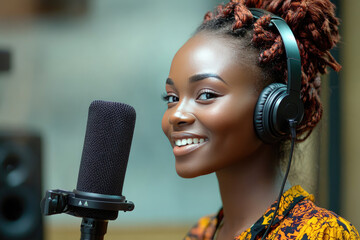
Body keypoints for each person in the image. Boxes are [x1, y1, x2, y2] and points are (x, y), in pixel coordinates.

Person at [161, 0, 359, 239]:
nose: (176, 115)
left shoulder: (321, 234)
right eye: (171, 98)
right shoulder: (200, 234)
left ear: (276, 109)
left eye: (206, 94)